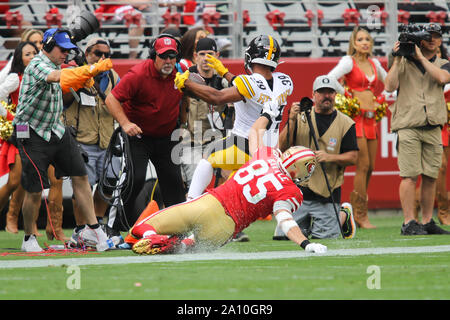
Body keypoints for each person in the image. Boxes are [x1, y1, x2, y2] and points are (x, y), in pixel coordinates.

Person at [175, 35, 293, 241]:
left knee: (208, 157)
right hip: (269, 152)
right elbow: (251, 87)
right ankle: (266, 228)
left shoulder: (248, 82)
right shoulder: (285, 82)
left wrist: (187, 84)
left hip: (245, 144)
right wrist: (224, 72)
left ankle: (189, 206)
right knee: (233, 190)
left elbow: (217, 97)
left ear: (251, 57)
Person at [129, 142, 328, 255]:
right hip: (225, 229)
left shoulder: (265, 154)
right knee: (186, 250)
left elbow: (256, 132)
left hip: (208, 204)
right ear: (299, 169)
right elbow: (284, 219)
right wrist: (305, 243)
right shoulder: (291, 191)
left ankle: (153, 237)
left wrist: (265, 115)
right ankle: (175, 244)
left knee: (139, 229)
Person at [11, 28, 111, 252]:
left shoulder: (58, 64)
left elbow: (64, 76)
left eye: (68, 50)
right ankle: (29, 237)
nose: (66, 53)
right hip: (31, 131)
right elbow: (57, 77)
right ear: (47, 47)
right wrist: (91, 69)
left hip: (56, 128)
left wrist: (81, 76)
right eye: (62, 49)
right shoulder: (37, 64)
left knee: (81, 175)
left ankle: (93, 228)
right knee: (35, 190)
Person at [105, 34, 188, 227]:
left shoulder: (181, 72)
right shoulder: (138, 74)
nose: (168, 61)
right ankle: (114, 229)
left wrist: (182, 124)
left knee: (174, 183)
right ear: (153, 56)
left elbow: (187, 96)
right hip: (139, 136)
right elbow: (111, 99)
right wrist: (125, 124)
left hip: (167, 136)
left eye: (172, 56)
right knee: (135, 180)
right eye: (163, 56)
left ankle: (179, 232)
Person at [272, 75, 358, 240]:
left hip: (326, 193)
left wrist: (330, 157)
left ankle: (343, 215)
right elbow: (282, 147)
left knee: (324, 237)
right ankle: (310, 223)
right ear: (313, 94)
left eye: (330, 92)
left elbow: (353, 157)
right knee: (284, 237)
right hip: (298, 193)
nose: (326, 96)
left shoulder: (346, 123)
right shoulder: (300, 116)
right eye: (322, 92)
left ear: (335, 95)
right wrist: (291, 119)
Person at [384, 23, 450, 235]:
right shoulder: (402, 61)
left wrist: (420, 57)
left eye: (436, 36)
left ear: (441, 41)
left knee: (431, 175)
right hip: (408, 124)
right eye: (428, 36)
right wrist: (398, 58)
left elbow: (441, 78)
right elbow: (389, 86)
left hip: (432, 125)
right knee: (410, 175)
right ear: (420, 39)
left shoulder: (443, 63)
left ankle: (427, 220)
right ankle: (409, 221)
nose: (431, 39)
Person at [327, 26, 387, 229]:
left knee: (371, 167)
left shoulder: (374, 63)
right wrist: (346, 96)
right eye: (360, 39)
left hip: (372, 119)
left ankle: (360, 212)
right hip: (356, 120)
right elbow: (330, 78)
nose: (364, 42)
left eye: (367, 39)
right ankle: (359, 214)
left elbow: (390, 83)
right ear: (353, 43)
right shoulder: (347, 62)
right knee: (362, 166)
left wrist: (382, 99)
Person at [62, 37, 121, 239]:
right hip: (82, 140)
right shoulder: (76, 74)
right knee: (82, 187)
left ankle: (97, 224)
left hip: (107, 140)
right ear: (87, 55)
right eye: (98, 54)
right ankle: (80, 228)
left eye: (107, 54)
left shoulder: (113, 76)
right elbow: (65, 101)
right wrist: (82, 80)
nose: (103, 57)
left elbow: (121, 104)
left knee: (108, 185)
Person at [179, 37, 229, 190]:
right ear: (195, 56)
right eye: (202, 54)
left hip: (218, 142)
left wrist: (226, 73)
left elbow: (244, 90)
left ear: (217, 55)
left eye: (210, 53)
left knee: (229, 181)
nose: (206, 58)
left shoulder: (223, 80)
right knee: (195, 186)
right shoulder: (185, 79)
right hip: (191, 143)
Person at [0, 42, 39, 234]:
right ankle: (9, 218)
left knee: (31, 180)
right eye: (27, 54)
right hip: (22, 128)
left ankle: (30, 227)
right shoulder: (16, 77)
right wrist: (9, 117)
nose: (32, 57)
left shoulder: (40, 76)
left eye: (34, 53)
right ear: (19, 58)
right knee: (15, 180)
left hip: (39, 130)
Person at [414, 43, 450, 226]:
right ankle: (441, 212)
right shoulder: (421, 71)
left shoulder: (445, 66)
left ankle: (442, 211)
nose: (433, 53)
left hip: (446, 121)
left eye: (436, 51)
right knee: (438, 168)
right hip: (435, 123)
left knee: (440, 169)